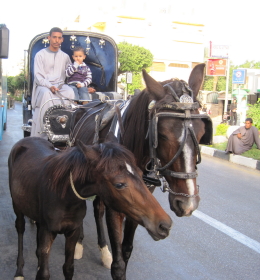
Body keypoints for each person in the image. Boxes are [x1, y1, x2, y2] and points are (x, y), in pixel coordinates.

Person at [31, 27, 75, 138]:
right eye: (54, 37)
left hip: (60, 86)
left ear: (62, 40)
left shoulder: (65, 57)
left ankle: (68, 129)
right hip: (43, 86)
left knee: (70, 91)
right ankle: (45, 132)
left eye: (59, 38)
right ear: (49, 38)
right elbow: (38, 76)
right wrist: (50, 86)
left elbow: (69, 74)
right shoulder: (40, 55)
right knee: (46, 94)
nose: (56, 40)